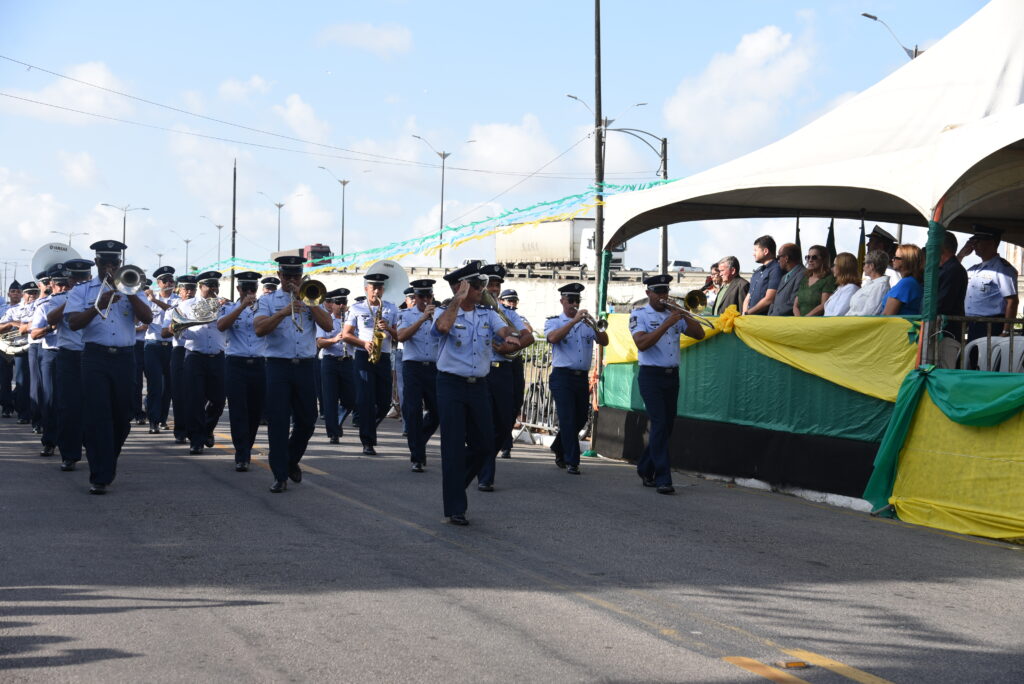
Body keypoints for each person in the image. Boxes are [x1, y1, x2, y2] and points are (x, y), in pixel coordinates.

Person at [432, 261, 517, 525]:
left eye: (482, 285)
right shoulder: (443, 312)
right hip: (451, 385)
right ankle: (456, 506)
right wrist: (457, 299)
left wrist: (511, 337)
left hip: (478, 385)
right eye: (476, 285)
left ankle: (456, 483)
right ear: (461, 287)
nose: (482, 289)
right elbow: (442, 329)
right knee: (454, 446)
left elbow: (505, 330)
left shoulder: (486, 313)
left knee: (485, 445)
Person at [66, 240, 154, 494]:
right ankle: (100, 475)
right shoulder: (82, 291)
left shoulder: (131, 286)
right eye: (105, 263)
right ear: (96, 263)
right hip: (95, 357)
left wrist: (128, 293)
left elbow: (147, 318)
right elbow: (73, 324)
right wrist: (98, 306)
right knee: (98, 417)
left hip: (125, 358)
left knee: (122, 417)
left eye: (115, 263)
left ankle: (106, 459)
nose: (110, 267)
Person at [254, 255, 333, 493]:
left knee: (308, 419)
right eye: (287, 276)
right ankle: (279, 475)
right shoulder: (268, 301)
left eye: (296, 276)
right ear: (279, 276)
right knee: (278, 421)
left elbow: (328, 326)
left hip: (305, 366)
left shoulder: (311, 296)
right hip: (278, 366)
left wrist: (309, 302)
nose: (292, 280)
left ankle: (289, 460)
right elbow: (259, 329)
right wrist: (282, 313)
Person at [630, 274, 705, 494]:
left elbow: (699, 334)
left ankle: (645, 466)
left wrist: (683, 314)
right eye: (658, 292)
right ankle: (663, 477)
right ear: (648, 293)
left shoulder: (675, 315)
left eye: (665, 292)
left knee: (666, 426)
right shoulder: (639, 314)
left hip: (671, 376)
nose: (663, 296)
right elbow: (642, 343)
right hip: (650, 376)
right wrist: (667, 323)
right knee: (660, 423)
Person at [477, 264, 533, 491]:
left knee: (505, 421)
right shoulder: (476, 310)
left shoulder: (508, 313)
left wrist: (508, 349)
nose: (494, 288)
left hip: (504, 371)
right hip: (484, 370)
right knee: (485, 424)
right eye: (490, 284)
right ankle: (485, 475)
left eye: (498, 284)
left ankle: (483, 459)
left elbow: (528, 337)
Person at [544, 283, 609, 475]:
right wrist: (573, 322)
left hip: (581, 378)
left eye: (576, 301)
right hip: (562, 376)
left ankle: (558, 446)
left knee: (580, 418)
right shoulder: (554, 321)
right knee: (568, 418)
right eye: (570, 300)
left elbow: (604, 341)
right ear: (562, 301)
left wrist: (594, 323)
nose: (573, 304)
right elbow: (553, 338)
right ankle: (573, 461)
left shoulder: (586, 324)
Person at [342, 273, 399, 455]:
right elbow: (346, 334)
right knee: (365, 400)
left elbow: (400, 336)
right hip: (363, 355)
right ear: (366, 288)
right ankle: (368, 441)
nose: (376, 291)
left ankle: (368, 427)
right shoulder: (357, 308)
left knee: (383, 402)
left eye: (379, 287)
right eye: (373, 287)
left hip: (383, 356)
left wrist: (388, 328)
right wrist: (364, 343)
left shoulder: (390, 308)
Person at [216, 271, 266, 470]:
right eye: (245, 289)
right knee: (238, 411)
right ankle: (241, 453)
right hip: (236, 363)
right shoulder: (228, 308)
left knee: (255, 411)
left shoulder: (264, 308)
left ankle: (247, 446)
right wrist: (242, 307)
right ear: (238, 289)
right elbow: (221, 326)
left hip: (259, 363)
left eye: (252, 289)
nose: (249, 292)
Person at [45, 259, 92, 471]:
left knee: (93, 405)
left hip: (92, 354)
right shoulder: (59, 299)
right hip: (68, 356)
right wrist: (70, 301)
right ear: (70, 280)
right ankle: (69, 454)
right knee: (68, 406)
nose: (80, 282)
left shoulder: (96, 295)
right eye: (76, 279)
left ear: (89, 278)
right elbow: (50, 320)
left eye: (84, 278)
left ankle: (92, 448)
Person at [177, 271, 227, 455]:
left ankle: (207, 429)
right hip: (195, 355)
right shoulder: (187, 305)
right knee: (194, 400)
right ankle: (196, 439)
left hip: (218, 355)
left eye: (216, 286)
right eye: (209, 286)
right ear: (201, 287)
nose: (214, 289)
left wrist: (224, 308)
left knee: (219, 400)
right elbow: (180, 331)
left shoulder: (224, 305)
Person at [395, 279, 440, 472]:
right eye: (421, 296)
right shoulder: (406, 314)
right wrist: (422, 319)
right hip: (412, 366)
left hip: (434, 367)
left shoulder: (440, 315)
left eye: (428, 296)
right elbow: (401, 336)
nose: (425, 300)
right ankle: (417, 456)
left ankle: (418, 440)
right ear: (415, 298)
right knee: (412, 411)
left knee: (438, 412)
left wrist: (433, 319)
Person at [30, 263, 74, 457]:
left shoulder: (79, 301)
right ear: (52, 285)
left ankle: (73, 440)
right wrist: (51, 328)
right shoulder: (44, 305)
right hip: (51, 354)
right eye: (60, 284)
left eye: (67, 283)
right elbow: (34, 334)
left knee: (72, 400)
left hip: (72, 353)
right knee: (49, 400)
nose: (64, 288)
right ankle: (49, 441)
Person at [960, 226, 1019, 340]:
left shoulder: (1002, 269)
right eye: (973, 241)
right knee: (973, 357)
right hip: (972, 324)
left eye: (978, 241)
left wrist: (1006, 331)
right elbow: (951, 271)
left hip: (991, 325)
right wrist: (961, 254)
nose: (974, 245)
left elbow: (1012, 301)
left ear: (991, 243)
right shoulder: (974, 269)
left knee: (986, 357)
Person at [316, 288, 355, 445]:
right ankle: (333, 432)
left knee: (351, 399)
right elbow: (319, 342)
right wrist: (334, 339)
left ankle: (336, 421)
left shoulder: (352, 320)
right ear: (331, 304)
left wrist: (350, 336)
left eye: (344, 302)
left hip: (347, 361)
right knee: (330, 399)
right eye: (338, 302)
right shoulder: (325, 319)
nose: (341, 305)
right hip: (330, 361)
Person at [143, 266, 177, 434]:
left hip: (171, 346)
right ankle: (153, 420)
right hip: (152, 345)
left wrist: (155, 301)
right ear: (159, 283)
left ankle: (163, 419)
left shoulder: (178, 299)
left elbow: (174, 313)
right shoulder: (148, 297)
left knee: (169, 386)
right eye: (166, 281)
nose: (169, 283)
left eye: (171, 280)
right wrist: (146, 298)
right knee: (156, 385)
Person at [498, 288, 530, 459]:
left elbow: (527, 332)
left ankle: (505, 435)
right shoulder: (495, 313)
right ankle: (505, 442)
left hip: (514, 361)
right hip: (499, 362)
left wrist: (515, 331)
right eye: (509, 300)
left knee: (516, 402)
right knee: (501, 405)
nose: (512, 303)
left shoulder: (517, 316)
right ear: (501, 301)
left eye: (514, 301)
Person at [165, 275, 197, 443]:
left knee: (196, 394)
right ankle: (181, 430)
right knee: (178, 392)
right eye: (186, 289)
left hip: (195, 351)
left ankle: (196, 429)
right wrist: (174, 327)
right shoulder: (173, 308)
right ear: (179, 290)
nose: (190, 292)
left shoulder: (202, 306)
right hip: (179, 350)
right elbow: (163, 332)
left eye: (192, 288)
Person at [742, 236, 781, 315]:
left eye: (756, 250)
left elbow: (769, 299)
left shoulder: (776, 269)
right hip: (749, 318)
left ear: (765, 251)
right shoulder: (758, 272)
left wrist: (748, 313)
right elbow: (748, 297)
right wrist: (745, 313)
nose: (753, 254)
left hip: (763, 321)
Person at [0, 280, 22, 417]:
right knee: (5, 377)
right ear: (8, 294)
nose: (15, 294)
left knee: (21, 378)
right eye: (13, 291)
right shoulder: (3, 309)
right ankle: (6, 406)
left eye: (18, 292)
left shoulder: (25, 307)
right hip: (5, 346)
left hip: (21, 344)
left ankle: (18, 403)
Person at [845, 250, 891, 316]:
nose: (863, 267)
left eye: (864, 263)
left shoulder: (880, 287)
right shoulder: (872, 284)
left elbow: (870, 313)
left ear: (871, 266)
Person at [793, 245, 836, 316]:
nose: (810, 260)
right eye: (808, 257)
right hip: (799, 323)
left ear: (823, 259)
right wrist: (799, 319)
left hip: (816, 323)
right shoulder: (805, 279)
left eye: (814, 257)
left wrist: (805, 319)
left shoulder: (829, 279)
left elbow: (824, 305)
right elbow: (795, 305)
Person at [883, 244, 924, 316]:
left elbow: (887, 315)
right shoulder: (913, 282)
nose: (892, 260)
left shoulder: (906, 284)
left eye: (895, 257)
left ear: (905, 261)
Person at [768, 243, 804, 316]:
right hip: (774, 321)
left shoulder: (803, 274)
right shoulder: (784, 277)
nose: (778, 260)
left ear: (786, 258)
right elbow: (775, 301)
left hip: (787, 323)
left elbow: (793, 302)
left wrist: (773, 315)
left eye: (778, 257)